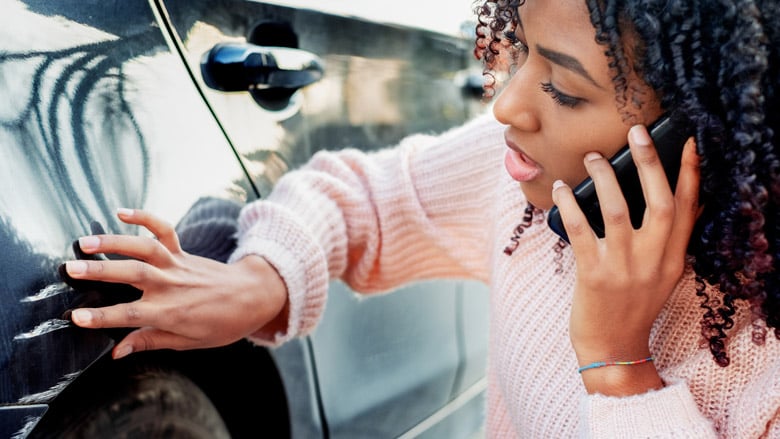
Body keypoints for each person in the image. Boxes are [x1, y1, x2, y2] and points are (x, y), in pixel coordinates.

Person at [63, 0, 780, 436]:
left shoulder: (764, 355)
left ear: (700, 132)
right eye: (523, 50)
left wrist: (620, 367)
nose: (506, 104)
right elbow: (363, 195)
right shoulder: (531, 189)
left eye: (561, 90)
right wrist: (261, 281)